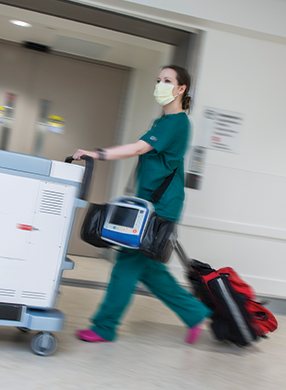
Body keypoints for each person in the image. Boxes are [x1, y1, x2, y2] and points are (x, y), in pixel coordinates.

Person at [72, 65, 211, 344]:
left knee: (125, 265)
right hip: (149, 203)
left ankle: (104, 326)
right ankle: (195, 313)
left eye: (167, 80)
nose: (160, 84)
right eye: (158, 80)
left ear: (181, 89)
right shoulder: (163, 121)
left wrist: (96, 154)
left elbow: (137, 148)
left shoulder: (177, 122)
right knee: (150, 269)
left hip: (159, 207)